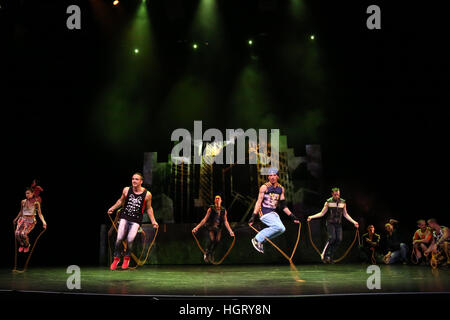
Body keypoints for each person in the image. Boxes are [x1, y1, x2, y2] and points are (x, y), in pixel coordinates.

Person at [107, 173, 158, 270]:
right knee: (119, 238)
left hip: (136, 220)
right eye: (133, 179)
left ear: (141, 181)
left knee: (130, 239)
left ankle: (126, 258)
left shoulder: (147, 194)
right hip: (124, 217)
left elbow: (149, 208)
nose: (134, 181)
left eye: (137, 179)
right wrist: (113, 208)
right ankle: (116, 258)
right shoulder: (126, 190)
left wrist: (153, 221)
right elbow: (120, 201)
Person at [248, 167, 299, 254]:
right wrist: (253, 215)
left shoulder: (281, 189)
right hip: (264, 212)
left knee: (282, 229)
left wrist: (292, 216)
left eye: (274, 175)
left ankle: (262, 240)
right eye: (270, 175)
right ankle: (257, 239)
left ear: (277, 177)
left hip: (272, 213)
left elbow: (283, 206)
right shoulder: (264, 187)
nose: (272, 177)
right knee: (278, 227)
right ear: (268, 177)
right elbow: (258, 202)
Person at [307, 187, 359, 264]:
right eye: (335, 194)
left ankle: (330, 256)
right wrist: (311, 217)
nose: (336, 196)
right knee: (332, 238)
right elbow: (322, 213)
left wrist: (354, 222)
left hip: (338, 224)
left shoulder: (343, 202)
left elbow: (345, 214)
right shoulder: (328, 202)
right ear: (332, 194)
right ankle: (324, 254)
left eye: (338, 194)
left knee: (339, 239)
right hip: (330, 223)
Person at [192, 195, 234, 263]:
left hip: (219, 228)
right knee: (212, 239)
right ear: (214, 200)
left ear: (221, 200)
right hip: (211, 226)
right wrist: (197, 227)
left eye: (218, 198)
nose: (217, 200)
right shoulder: (211, 209)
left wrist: (230, 231)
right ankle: (207, 252)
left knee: (217, 240)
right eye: (216, 198)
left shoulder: (223, 210)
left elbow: (225, 221)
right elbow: (205, 219)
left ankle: (212, 252)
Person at [13, 188, 47, 252]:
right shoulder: (23, 201)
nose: (27, 195)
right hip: (23, 219)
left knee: (23, 234)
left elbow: (40, 214)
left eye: (28, 193)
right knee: (17, 233)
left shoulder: (36, 203)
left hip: (30, 221)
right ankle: (21, 244)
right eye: (26, 193)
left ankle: (26, 245)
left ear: (32, 194)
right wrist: (16, 218)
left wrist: (44, 222)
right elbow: (21, 211)